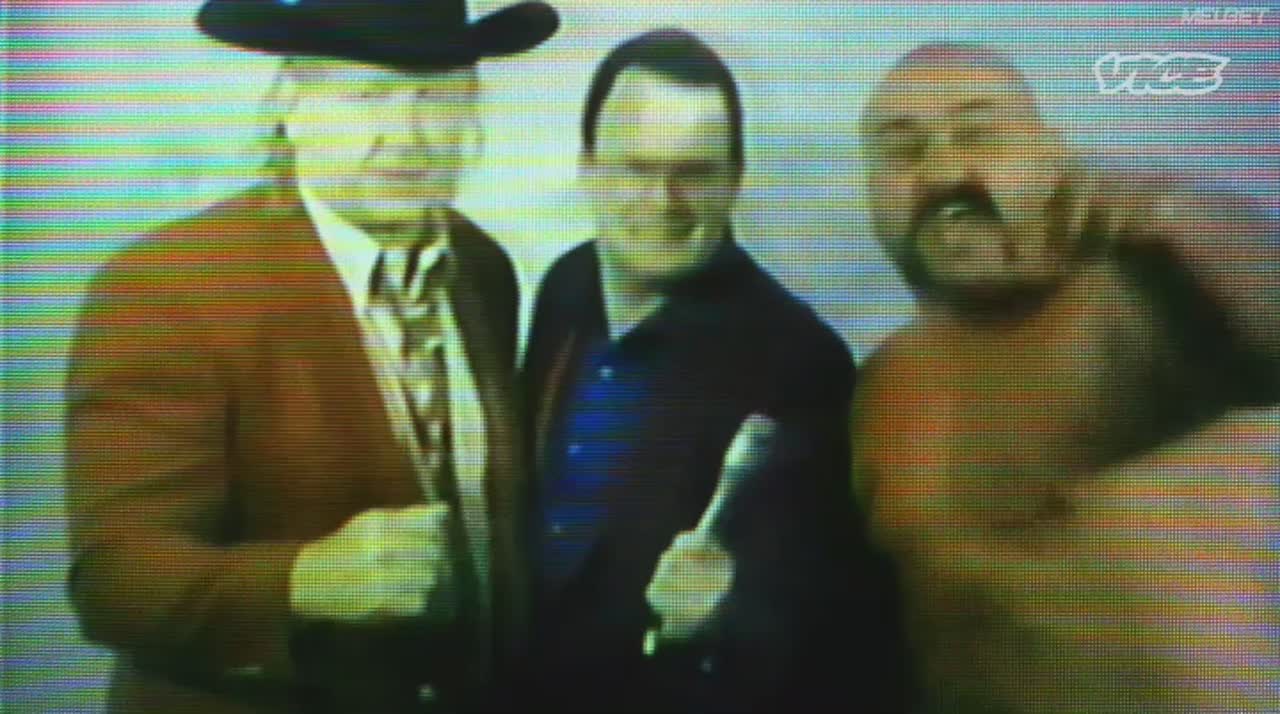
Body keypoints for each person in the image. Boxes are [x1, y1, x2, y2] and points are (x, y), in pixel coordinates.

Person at [63, 1, 558, 712]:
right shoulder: (167, 288)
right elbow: (116, 583)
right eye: (368, 96)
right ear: (291, 104)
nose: (406, 135)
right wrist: (305, 580)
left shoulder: (483, 270)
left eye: (436, 95)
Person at [851, 43, 1279, 712]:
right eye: (902, 150)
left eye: (979, 134)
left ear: (1049, 156)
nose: (943, 171)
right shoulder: (878, 388)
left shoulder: (1142, 309)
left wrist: (1169, 209)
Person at [520, 28, 911, 713]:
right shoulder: (566, 285)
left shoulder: (801, 363)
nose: (663, 200)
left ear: (735, 179)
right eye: (635, 168)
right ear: (587, 168)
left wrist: (719, 618)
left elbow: (831, 634)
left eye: (694, 173)